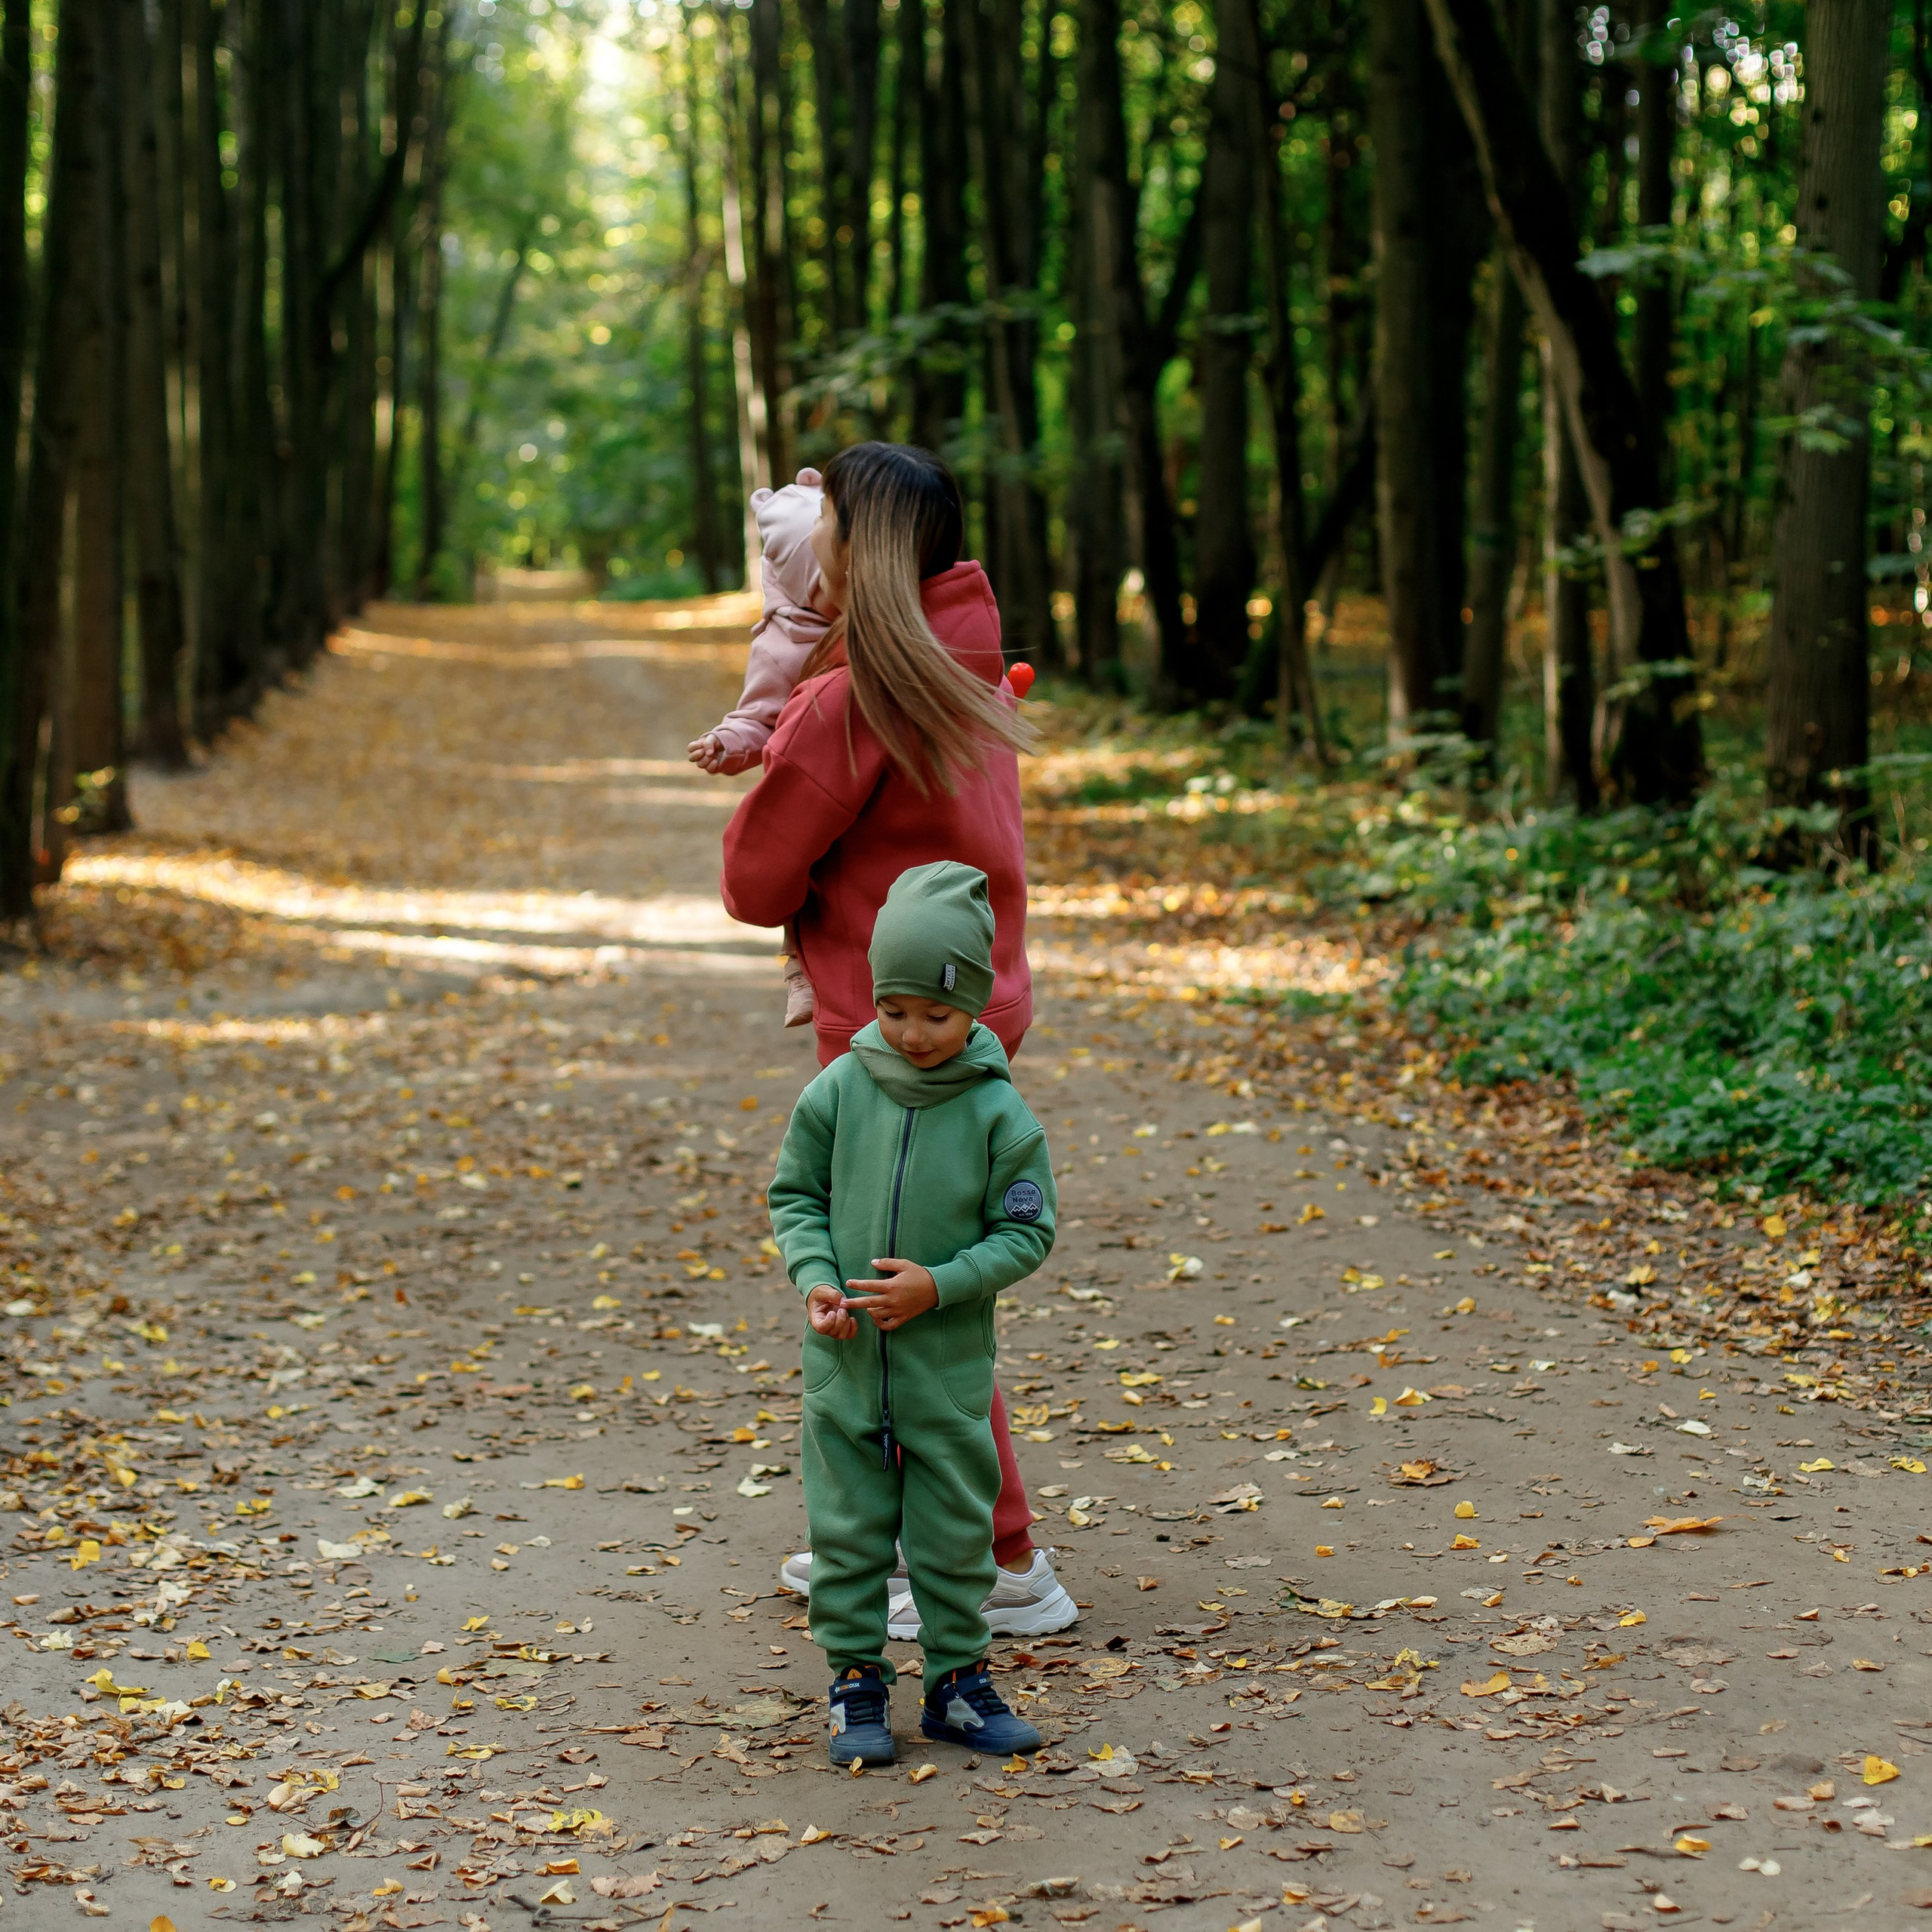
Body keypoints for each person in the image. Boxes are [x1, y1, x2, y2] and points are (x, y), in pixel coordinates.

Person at [719, 441, 1075, 1641]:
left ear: (855, 551)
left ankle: (991, 1558)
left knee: (893, 1286)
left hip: (894, 1026)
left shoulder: (847, 696)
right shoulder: (961, 663)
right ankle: (887, 1541)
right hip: (975, 995)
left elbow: (755, 882)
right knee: (914, 1271)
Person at [769, 862, 1053, 1764]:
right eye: (894, 1009)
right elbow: (795, 1197)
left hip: (944, 1371)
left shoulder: (997, 1113)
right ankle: (855, 1684)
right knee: (846, 1534)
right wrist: (815, 1278)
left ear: (976, 1005)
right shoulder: (837, 1092)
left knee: (953, 1536)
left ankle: (956, 1686)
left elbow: (1027, 1232)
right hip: (845, 1368)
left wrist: (941, 1282)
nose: (914, 1032)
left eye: (937, 1013)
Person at [688, 469, 831, 1028]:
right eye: (816, 585)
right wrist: (729, 743)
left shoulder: (875, 612)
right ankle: (800, 969)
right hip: (806, 769)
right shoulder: (781, 643)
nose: (830, 595)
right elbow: (758, 715)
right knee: (802, 864)